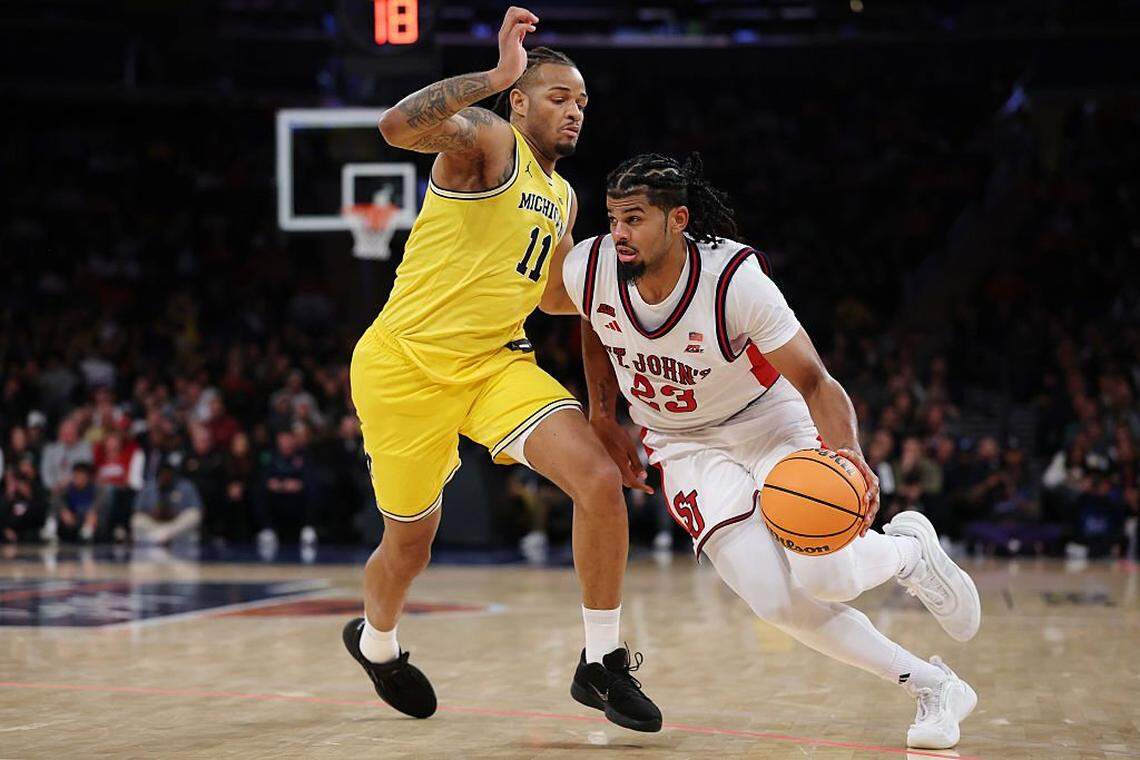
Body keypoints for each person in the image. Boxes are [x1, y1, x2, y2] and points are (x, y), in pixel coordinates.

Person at [557, 152, 982, 750]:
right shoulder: (592, 265)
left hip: (767, 420)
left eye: (634, 219)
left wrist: (849, 455)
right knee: (775, 602)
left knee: (827, 577)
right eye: (612, 218)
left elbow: (814, 380)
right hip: (682, 443)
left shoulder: (733, 281)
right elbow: (593, 320)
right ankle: (934, 686)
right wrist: (602, 413)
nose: (619, 233)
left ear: (677, 219)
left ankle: (908, 552)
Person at [343, 6, 660, 731]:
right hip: (404, 367)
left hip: (493, 365)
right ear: (518, 101)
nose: (574, 111)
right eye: (558, 97)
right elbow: (395, 127)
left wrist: (626, 292)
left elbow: (556, 297)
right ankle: (377, 644)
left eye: (582, 102)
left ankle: (601, 662)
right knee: (409, 545)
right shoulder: (489, 140)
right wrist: (492, 75)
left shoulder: (564, 197)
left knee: (598, 481)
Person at [132, 462, 203, 546]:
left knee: (194, 515)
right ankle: (165, 537)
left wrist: (177, 513)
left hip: (176, 524)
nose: (166, 477)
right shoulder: (148, 487)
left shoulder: (186, 486)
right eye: (163, 475)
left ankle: (160, 537)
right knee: (137, 519)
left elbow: (197, 509)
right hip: (154, 525)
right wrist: (151, 514)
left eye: (168, 475)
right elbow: (137, 509)